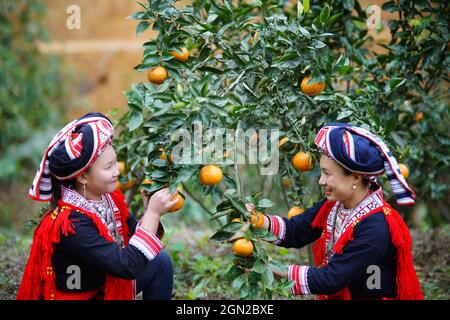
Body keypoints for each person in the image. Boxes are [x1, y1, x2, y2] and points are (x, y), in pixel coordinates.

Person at [17, 112, 179, 300]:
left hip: (103, 286)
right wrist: (152, 213)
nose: (117, 171)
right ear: (83, 176)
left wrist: (149, 211)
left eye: (115, 163)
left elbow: (136, 243)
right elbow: (127, 266)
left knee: (160, 262)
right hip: (83, 297)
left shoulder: (110, 199)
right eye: (108, 167)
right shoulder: (70, 224)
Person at [252, 123, 423, 300]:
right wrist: (255, 220)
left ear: (355, 177)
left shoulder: (376, 228)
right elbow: (296, 231)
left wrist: (270, 267)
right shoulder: (334, 205)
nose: (321, 181)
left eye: (327, 173)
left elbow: (331, 279)